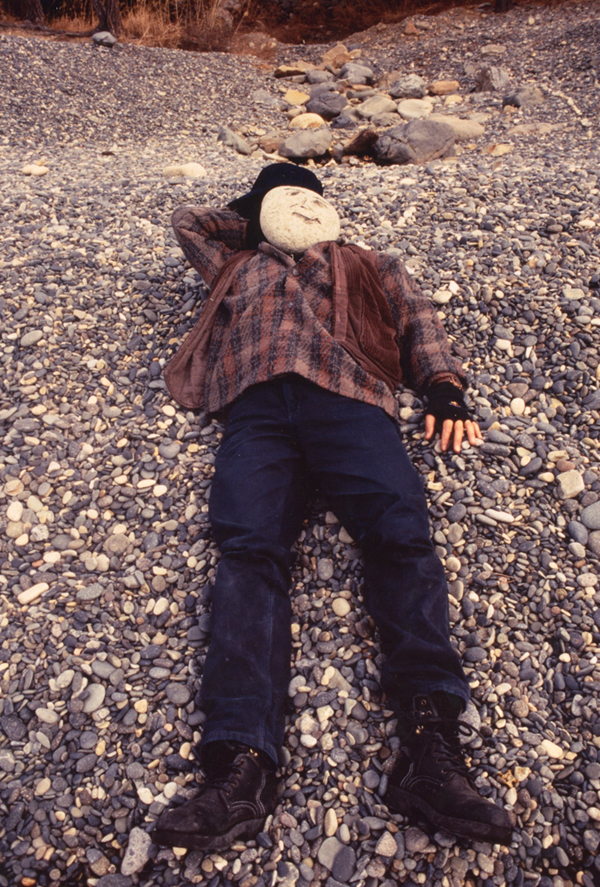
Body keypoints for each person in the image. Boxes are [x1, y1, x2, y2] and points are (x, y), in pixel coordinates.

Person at [151, 163, 513, 852]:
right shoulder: (237, 262)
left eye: (305, 198)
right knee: (247, 552)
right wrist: (258, 212)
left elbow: (417, 318)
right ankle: (240, 762)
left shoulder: (368, 262)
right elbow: (189, 222)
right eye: (282, 199)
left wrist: (443, 387)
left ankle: (431, 749)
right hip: (257, 406)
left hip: (351, 401)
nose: (296, 208)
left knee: (401, 537)